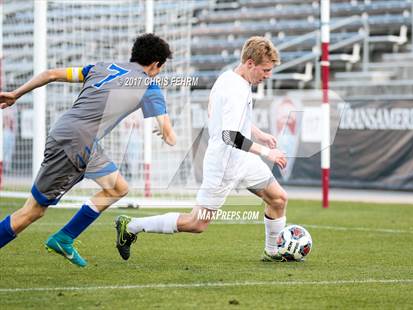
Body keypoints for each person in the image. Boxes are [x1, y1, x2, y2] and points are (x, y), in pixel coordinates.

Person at [0, 33, 176, 267]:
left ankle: (64, 238)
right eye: (161, 68)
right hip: (78, 142)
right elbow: (171, 137)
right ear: (155, 64)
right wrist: (165, 133)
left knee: (118, 188)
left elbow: (50, 74)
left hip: (67, 132)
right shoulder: (149, 86)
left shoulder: (101, 67)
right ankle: (63, 238)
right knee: (32, 211)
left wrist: (15, 94)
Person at [115, 36, 289, 262]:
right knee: (197, 223)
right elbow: (229, 136)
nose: (268, 75)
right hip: (223, 166)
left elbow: (219, 115)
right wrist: (268, 153)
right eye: (265, 70)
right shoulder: (234, 89)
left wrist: (259, 134)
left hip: (241, 160)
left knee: (278, 199)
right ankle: (131, 226)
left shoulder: (230, 78)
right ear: (249, 63)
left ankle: (272, 251)